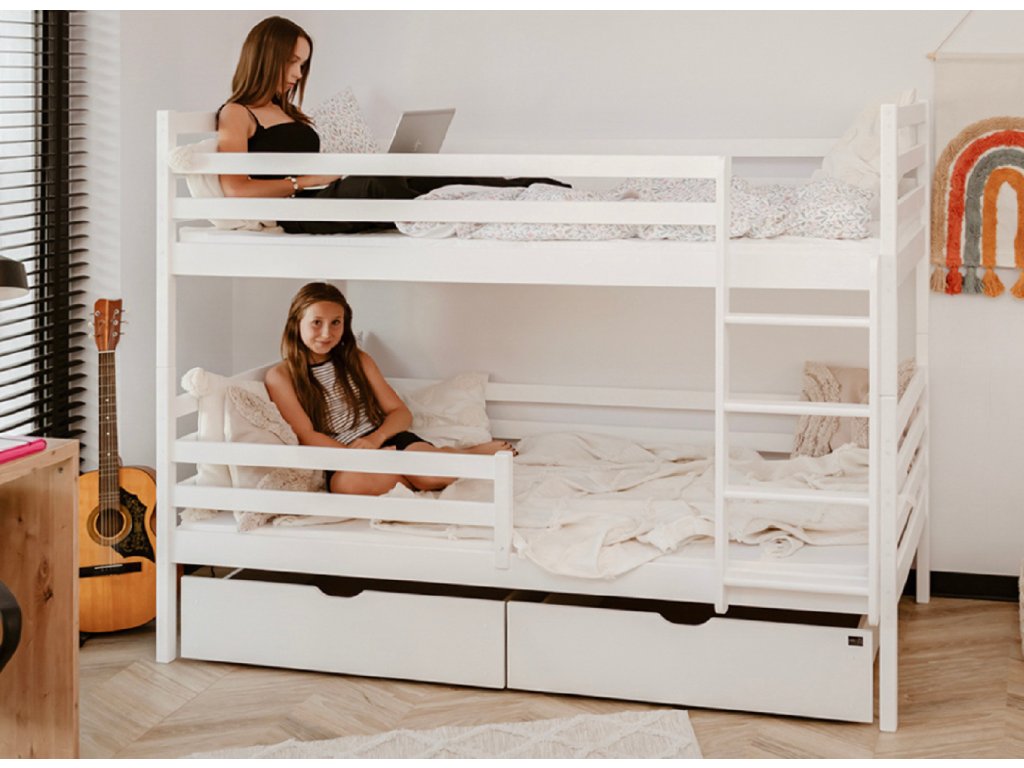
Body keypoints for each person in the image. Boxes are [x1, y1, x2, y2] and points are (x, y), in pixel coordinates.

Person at [217, 16, 564, 234]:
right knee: (378, 185)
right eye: (292, 62)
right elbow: (235, 190)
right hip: (297, 210)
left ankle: (528, 188)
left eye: (303, 65)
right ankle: (486, 210)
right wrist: (306, 181)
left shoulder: (285, 111)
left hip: (319, 195)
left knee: (425, 175)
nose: (298, 73)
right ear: (266, 57)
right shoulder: (237, 112)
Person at [265, 282, 515, 496]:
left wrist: (375, 440)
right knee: (348, 486)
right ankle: (436, 466)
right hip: (344, 458)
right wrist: (366, 458)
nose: (326, 333)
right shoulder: (281, 376)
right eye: (316, 323)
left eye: (336, 323)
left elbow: (400, 413)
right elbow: (307, 435)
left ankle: (456, 459)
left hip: (387, 441)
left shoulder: (357, 359)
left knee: (428, 474)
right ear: (296, 322)